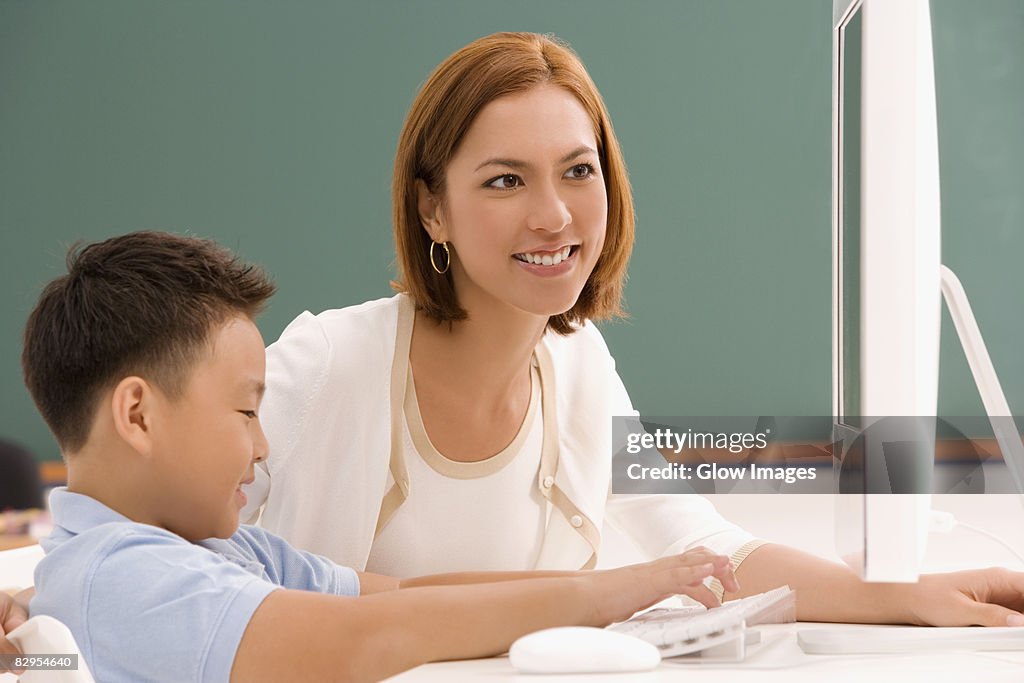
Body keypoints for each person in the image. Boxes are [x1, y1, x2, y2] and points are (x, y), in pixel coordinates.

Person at [240, 31, 1024, 625]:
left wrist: (904, 598)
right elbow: (178, 558)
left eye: (578, 170)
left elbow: (710, 548)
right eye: (505, 180)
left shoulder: (578, 366)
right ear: (431, 208)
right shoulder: (328, 363)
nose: (553, 215)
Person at [0, 231, 737, 681]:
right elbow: (362, 642)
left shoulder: (220, 554)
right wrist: (601, 595)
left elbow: (403, 596)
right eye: (246, 410)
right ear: (137, 414)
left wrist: (620, 593)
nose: (261, 445)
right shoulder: (121, 576)